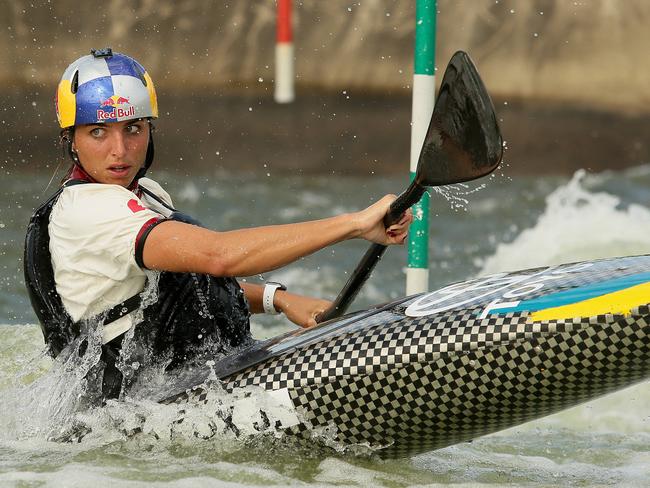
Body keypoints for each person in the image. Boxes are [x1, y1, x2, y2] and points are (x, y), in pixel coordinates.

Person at [24, 48, 412, 401]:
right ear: (71, 140)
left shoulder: (145, 194)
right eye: (98, 132)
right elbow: (218, 256)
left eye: (133, 129)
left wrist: (278, 299)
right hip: (132, 413)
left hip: (173, 390)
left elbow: (179, 287)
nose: (120, 150)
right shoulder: (88, 210)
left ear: (150, 131)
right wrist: (356, 224)